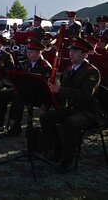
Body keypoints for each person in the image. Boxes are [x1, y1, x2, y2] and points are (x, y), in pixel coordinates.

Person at [40, 37, 101, 173]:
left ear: (85, 54)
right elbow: (61, 94)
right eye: (70, 50)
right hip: (72, 109)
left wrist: (59, 89)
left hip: (88, 112)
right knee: (46, 118)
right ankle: (58, 148)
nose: (71, 53)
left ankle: (68, 159)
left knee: (70, 123)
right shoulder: (68, 70)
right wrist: (49, 101)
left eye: (75, 51)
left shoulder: (92, 71)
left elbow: (85, 95)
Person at [0, 38, 52, 136]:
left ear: (39, 53)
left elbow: (42, 86)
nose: (28, 54)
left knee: (18, 95)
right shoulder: (27, 63)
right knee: (2, 94)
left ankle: (16, 126)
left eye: (31, 52)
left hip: (36, 94)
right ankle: (0, 122)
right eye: (28, 52)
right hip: (25, 91)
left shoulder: (45, 66)